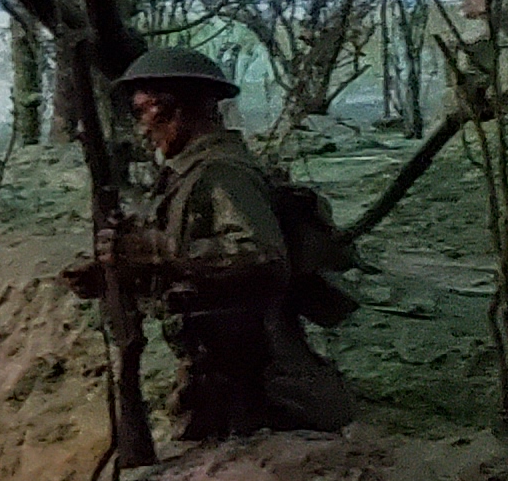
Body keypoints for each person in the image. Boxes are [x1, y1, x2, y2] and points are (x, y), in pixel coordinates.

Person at [63, 45, 360, 443]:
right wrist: (114, 272)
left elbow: (262, 257)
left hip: (259, 376)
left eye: (142, 112)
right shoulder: (187, 175)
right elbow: (186, 267)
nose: (142, 128)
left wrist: (155, 250)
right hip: (215, 373)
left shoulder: (222, 172)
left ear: (173, 109)